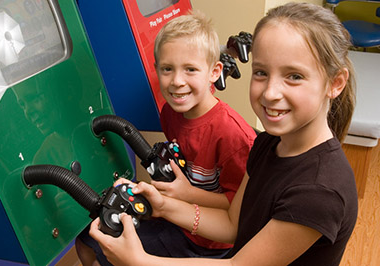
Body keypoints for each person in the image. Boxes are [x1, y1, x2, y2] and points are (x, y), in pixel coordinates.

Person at [88, 2, 359, 265]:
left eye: (294, 76)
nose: (270, 92)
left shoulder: (319, 192)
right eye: (261, 73)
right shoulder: (268, 144)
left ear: (335, 83)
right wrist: (164, 206)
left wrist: (140, 261)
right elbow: (231, 224)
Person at [76, 10, 256, 265]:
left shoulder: (233, 136)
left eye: (190, 69)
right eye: (167, 69)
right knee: (87, 240)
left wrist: (187, 193)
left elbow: (238, 208)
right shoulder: (171, 112)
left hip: (209, 244)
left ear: (214, 72)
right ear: (156, 68)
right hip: (174, 217)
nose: (177, 81)